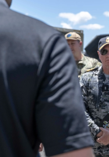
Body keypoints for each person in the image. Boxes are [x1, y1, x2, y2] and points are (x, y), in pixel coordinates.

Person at [0, 0, 94, 156]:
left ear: (80, 43)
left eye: (73, 43)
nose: (70, 46)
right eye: (68, 43)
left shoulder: (89, 63)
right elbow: (74, 152)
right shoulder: (41, 41)